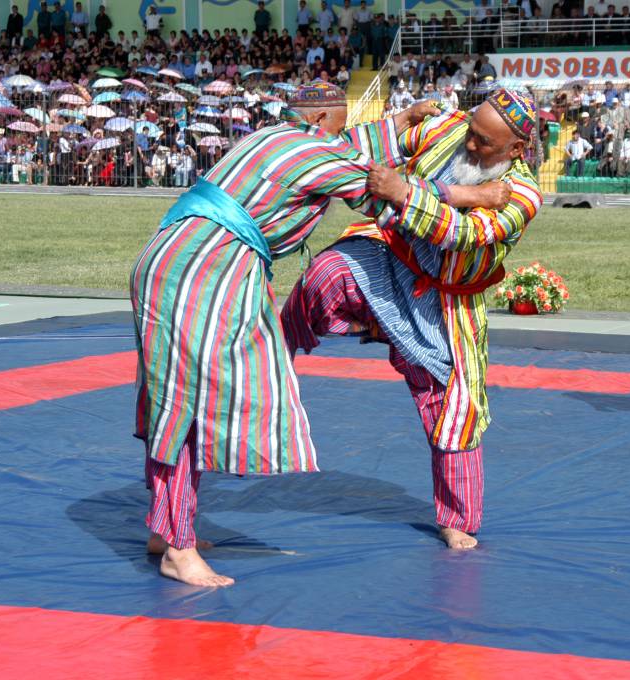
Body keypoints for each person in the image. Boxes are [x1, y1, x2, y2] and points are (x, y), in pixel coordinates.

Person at [131, 84, 442, 587]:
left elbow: (349, 147)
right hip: (204, 269)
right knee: (186, 404)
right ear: (321, 118)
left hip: (180, 258)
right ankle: (176, 547)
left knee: (173, 396)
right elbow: (380, 187)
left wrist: (405, 118)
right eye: (337, 126)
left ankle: (165, 530)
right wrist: (478, 198)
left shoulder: (278, 137)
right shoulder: (315, 149)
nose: (341, 136)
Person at [280, 89, 543, 551]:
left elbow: (461, 234)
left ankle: (458, 519)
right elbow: (366, 150)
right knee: (324, 276)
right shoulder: (448, 128)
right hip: (389, 252)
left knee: (454, 404)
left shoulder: (522, 194)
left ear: (516, 149)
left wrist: (404, 192)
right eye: (472, 132)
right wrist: (401, 117)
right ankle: (279, 350)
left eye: (484, 142)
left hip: (446, 300)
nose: (471, 145)